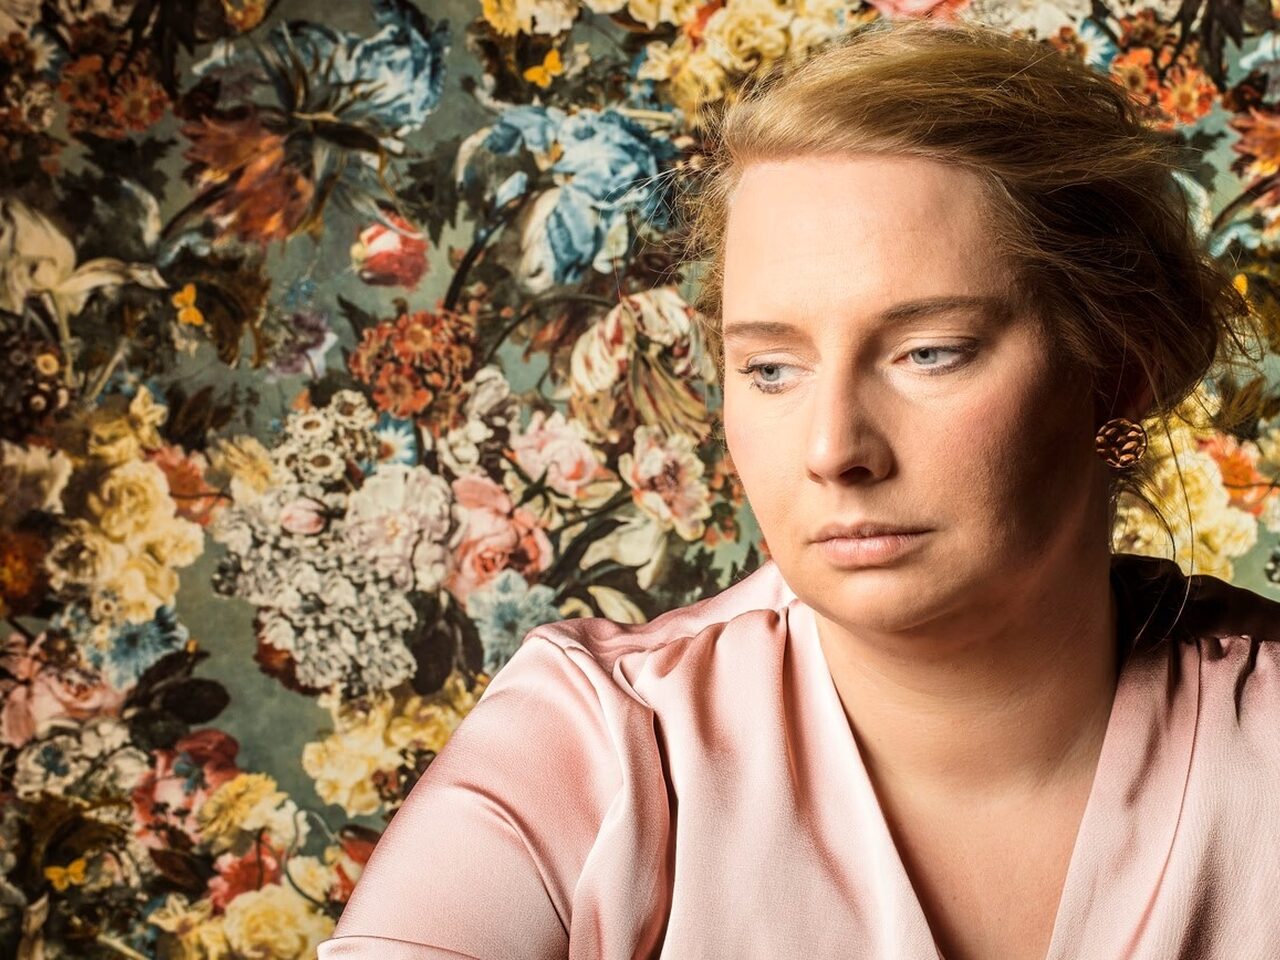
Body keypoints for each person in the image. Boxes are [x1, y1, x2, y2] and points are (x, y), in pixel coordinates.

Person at [316, 18, 1280, 960]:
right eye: (772, 368)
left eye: (929, 352)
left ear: (1117, 371)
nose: (832, 449)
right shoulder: (595, 742)